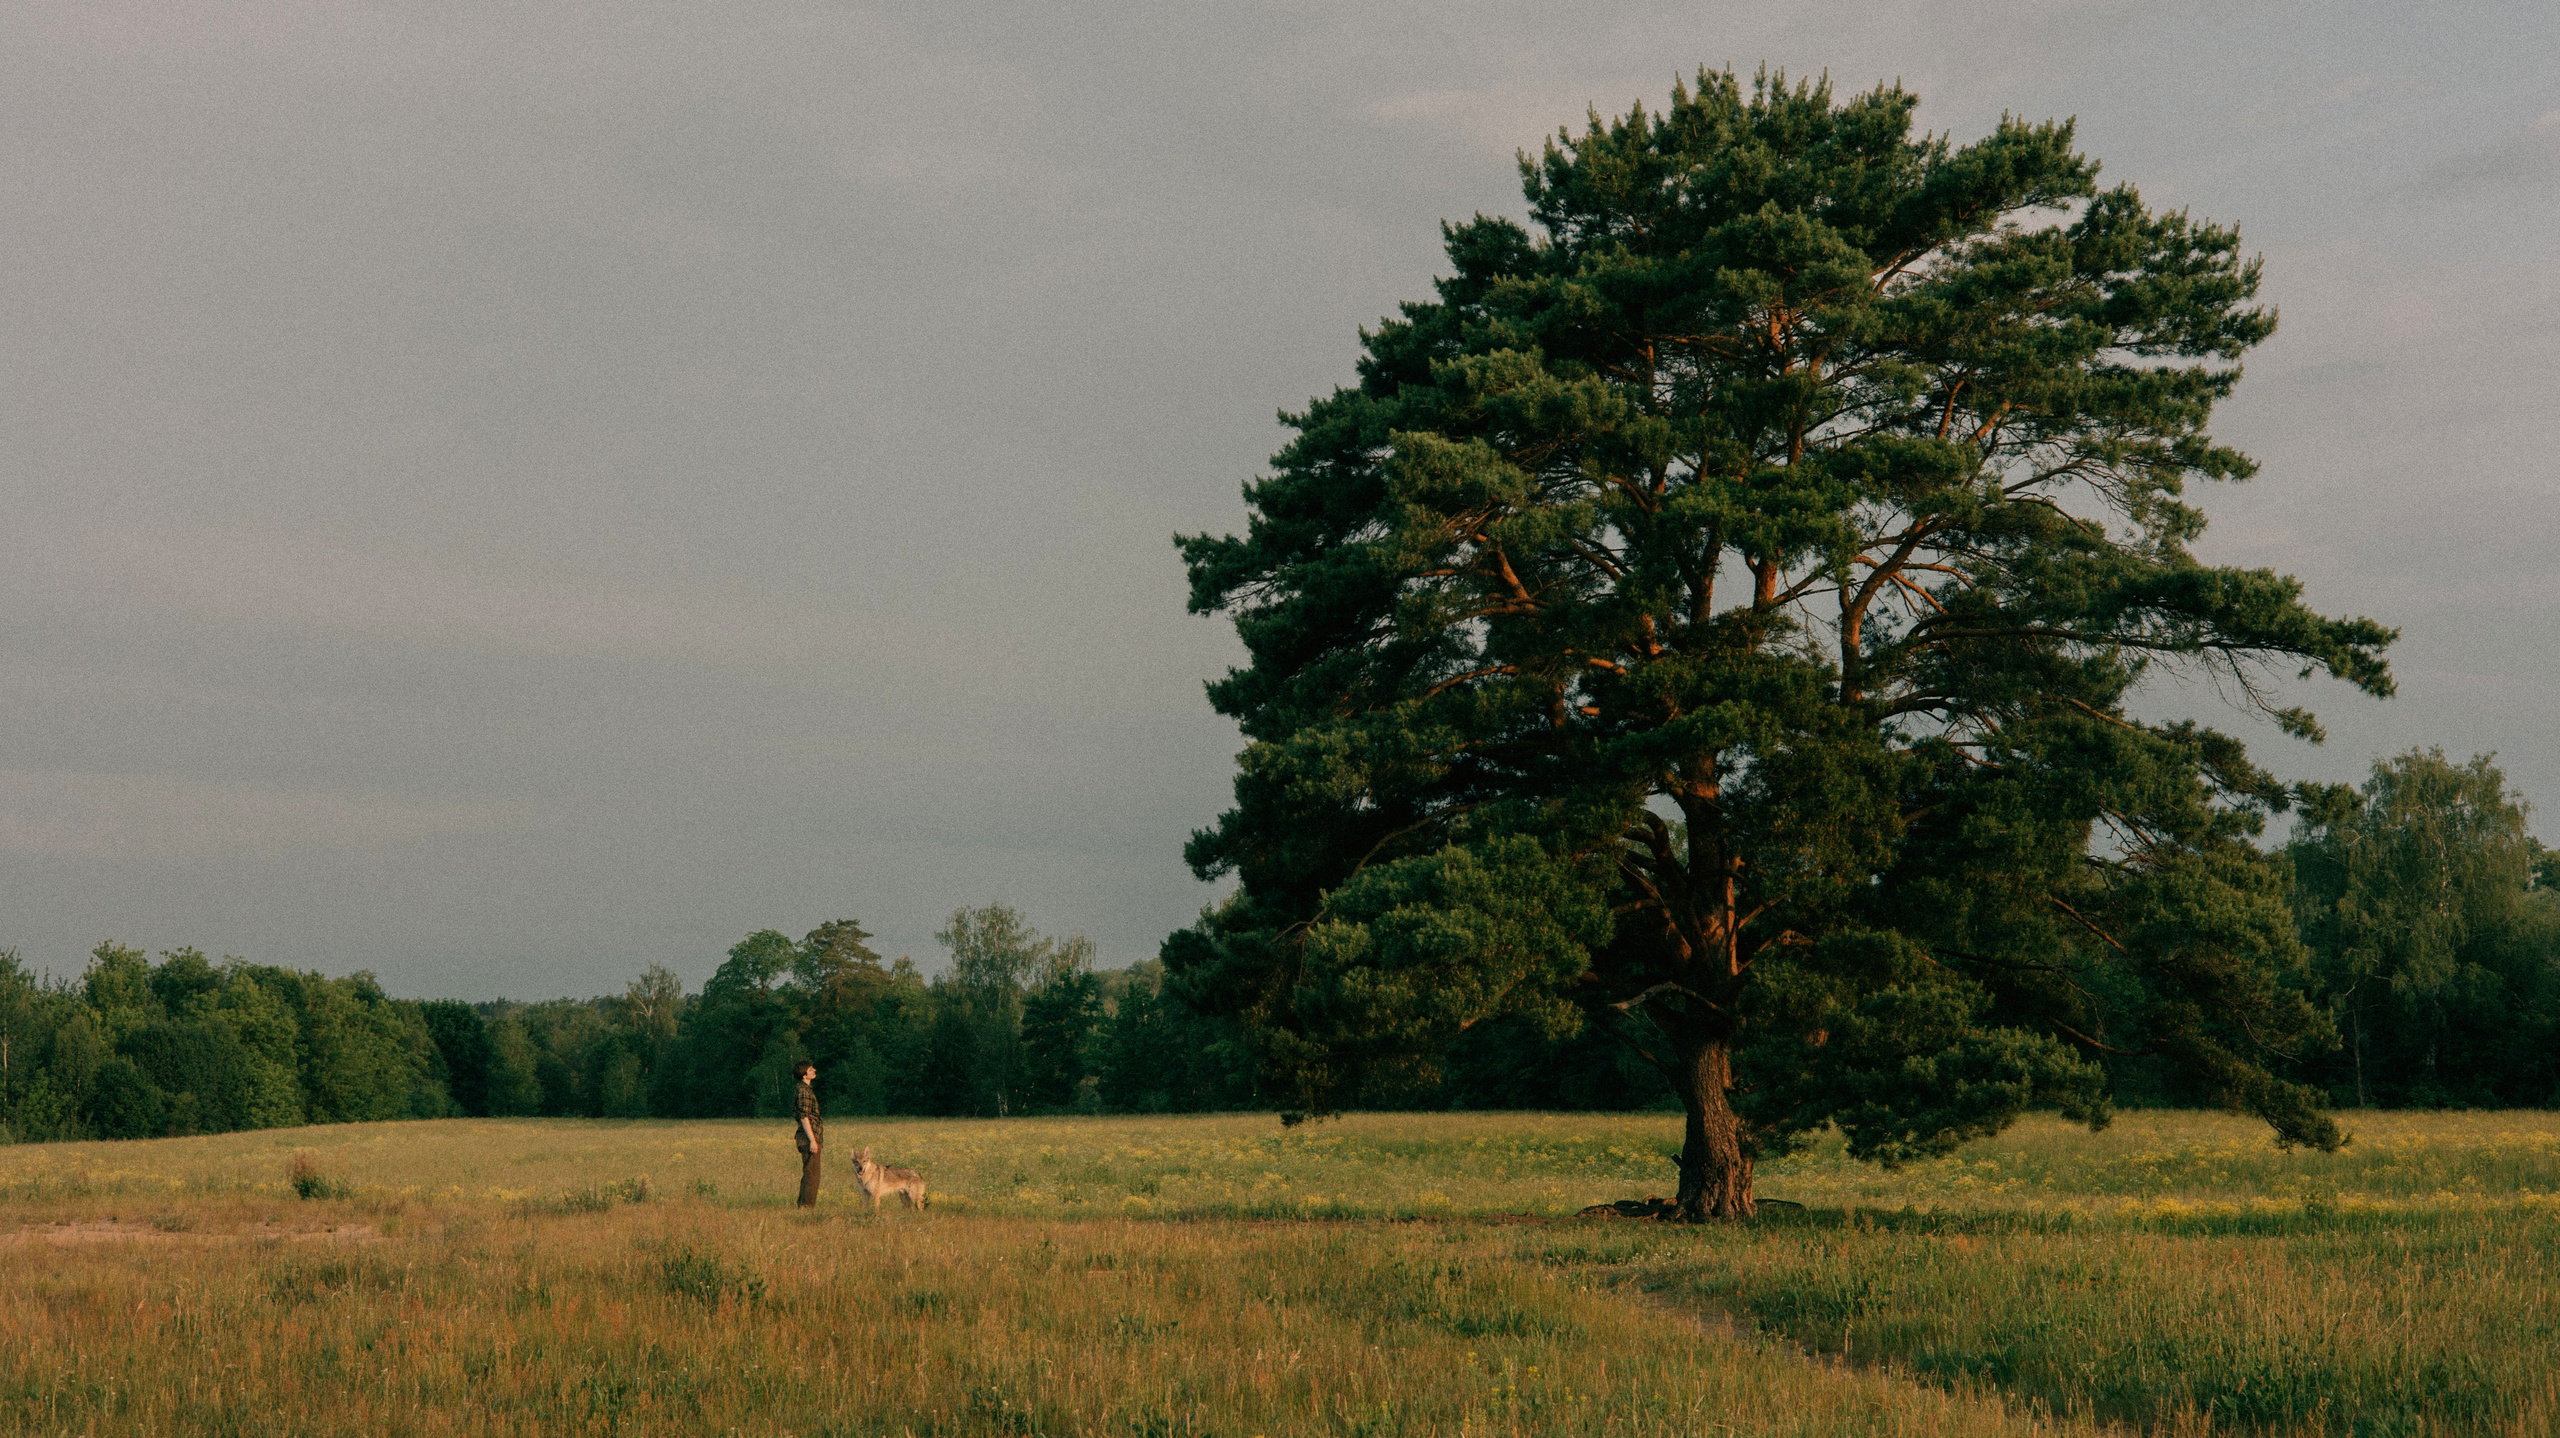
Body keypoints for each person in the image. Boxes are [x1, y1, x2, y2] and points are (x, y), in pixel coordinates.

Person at [792, 1059, 822, 1207]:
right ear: (804, 1075)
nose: (814, 1070)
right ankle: (806, 1207)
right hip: (808, 1136)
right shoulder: (803, 1091)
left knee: (810, 1173)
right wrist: (812, 1140)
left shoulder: (805, 1089)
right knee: (812, 1174)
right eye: (810, 1069)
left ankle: (803, 1205)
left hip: (810, 1135)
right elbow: (804, 1117)